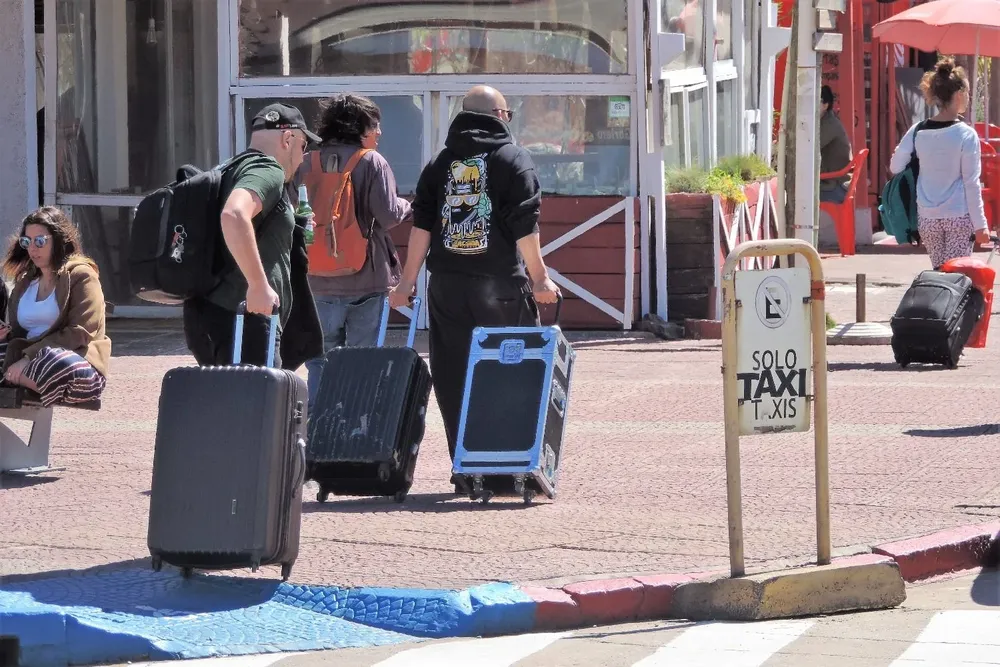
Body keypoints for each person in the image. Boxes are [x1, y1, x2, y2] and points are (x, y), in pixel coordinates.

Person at [389, 85, 560, 490]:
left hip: (447, 288)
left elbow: (421, 227)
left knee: (453, 376)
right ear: (501, 116)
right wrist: (539, 278)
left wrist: (406, 283)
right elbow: (524, 225)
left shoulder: (440, 164)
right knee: (513, 371)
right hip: (500, 285)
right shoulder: (513, 159)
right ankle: (512, 467)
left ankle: (467, 468)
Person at [183, 103, 323, 368]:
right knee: (258, 406)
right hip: (244, 319)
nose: (304, 156)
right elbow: (234, 215)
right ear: (287, 138)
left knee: (230, 405)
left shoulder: (229, 167)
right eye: (304, 146)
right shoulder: (267, 168)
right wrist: (258, 285)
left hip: (211, 314)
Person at [293, 94, 411, 409]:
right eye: (375, 125)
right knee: (361, 361)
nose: (379, 133)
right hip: (366, 279)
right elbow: (387, 216)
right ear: (359, 127)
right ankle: (353, 431)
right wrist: (406, 205)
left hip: (315, 279)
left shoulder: (305, 162)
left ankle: (318, 429)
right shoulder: (371, 162)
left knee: (319, 362)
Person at [0, 206, 110, 407]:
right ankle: (20, 379)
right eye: (27, 242)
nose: (33, 248)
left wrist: (28, 357)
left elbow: (81, 332)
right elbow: (20, 335)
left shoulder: (81, 275)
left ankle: (15, 379)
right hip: (29, 360)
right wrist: (6, 336)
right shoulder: (25, 281)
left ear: (59, 239)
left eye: (40, 241)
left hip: (74, 361)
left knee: (52, 359)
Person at [889, 58, 990, 269]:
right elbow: (971, 183)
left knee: (939, 272)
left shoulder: (918, 130)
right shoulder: (966, 134)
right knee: (956, 276)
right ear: (960, 95)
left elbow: (895, 167)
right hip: (958, 215)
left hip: (927, 217)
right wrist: (981, 225)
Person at [819, 85, 854, 204]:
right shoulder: (825, 121)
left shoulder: (830, 125)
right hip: (832, 181)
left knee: (794, 193)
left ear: (825, 105)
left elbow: (807, 150)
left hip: (835, 186)